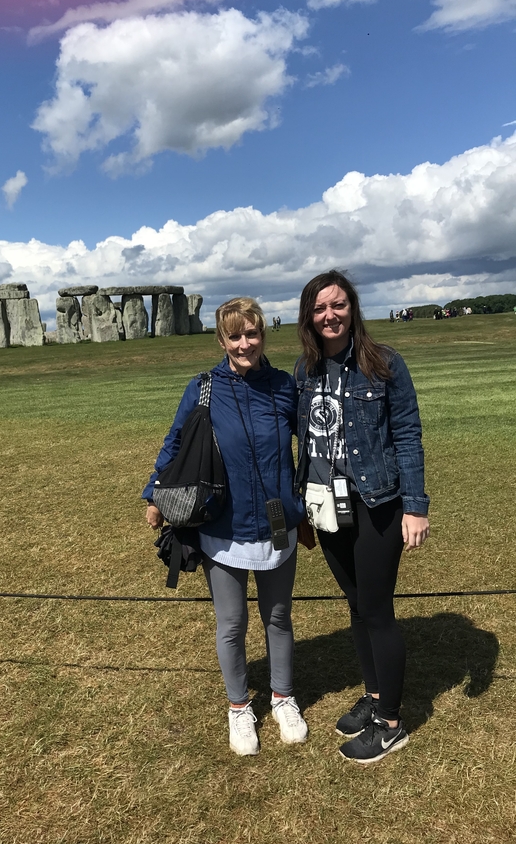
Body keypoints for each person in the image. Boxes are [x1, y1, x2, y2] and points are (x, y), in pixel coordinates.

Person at [144, 297, 307, 756]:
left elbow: (312, 442)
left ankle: (282, 696)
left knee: (278, 617)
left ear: (262, 335)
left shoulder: (281, 386)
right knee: (232, 623)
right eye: (234, 335)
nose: (244, 343)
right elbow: (175, 442)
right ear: (221, 340)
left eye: (251, 333)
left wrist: (306, 503)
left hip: (277, 521)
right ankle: (239, 707)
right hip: (223, 523)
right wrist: (154, 492)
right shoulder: (203, 388)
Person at [294, 270, 430, 763]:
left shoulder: (385, 364)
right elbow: (303, 442)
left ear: (353, 308)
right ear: (309, 316)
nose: (330, 315)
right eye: (319, 308)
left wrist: (414, 507)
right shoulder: (304, 370)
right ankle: (374, 698)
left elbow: (408, 436)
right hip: (326, 505)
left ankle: (391, 724)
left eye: (338, 305)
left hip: (377, 503)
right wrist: (301, 508)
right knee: (355, 604)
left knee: (376, 608)